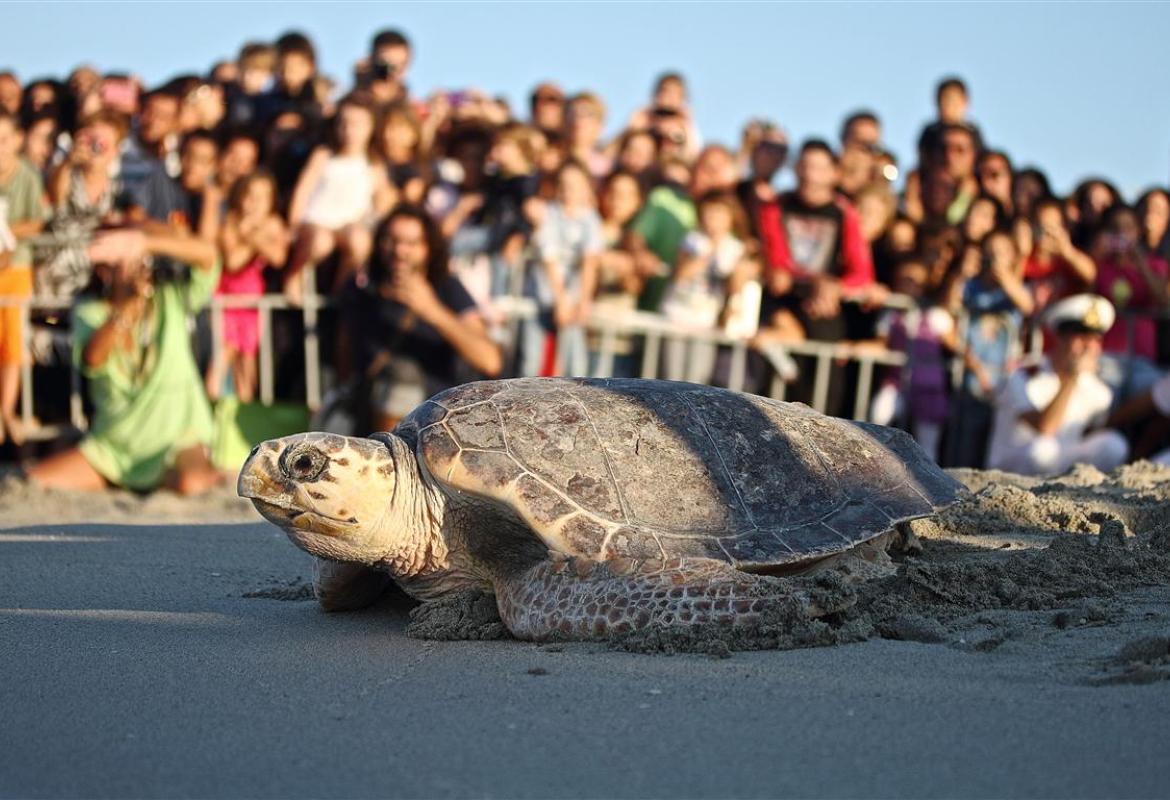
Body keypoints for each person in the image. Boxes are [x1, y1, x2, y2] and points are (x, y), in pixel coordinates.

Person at [27, 227, 224, 494]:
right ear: (104, 271)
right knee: (34, 481)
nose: (139, 264)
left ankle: (206, 473)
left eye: (140, 258)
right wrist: (125, 308)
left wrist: (146, 241)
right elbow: (93, 359)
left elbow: (209, 255)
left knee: (190, 483)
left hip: (176, 438)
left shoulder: (170, 297)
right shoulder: (91, 311)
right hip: (114, 448)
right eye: (126, 259)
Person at [339, 205, 502, 432]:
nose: (399, 250)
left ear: (429, 248)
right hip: (372, 418)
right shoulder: (363, 289)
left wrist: (432, 311)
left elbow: (490, 360)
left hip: (436, 421)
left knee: (403, 375)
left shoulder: (447, 288)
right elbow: (344, 357)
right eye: (391, 240)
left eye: (411, 243)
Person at [987, 294, 1128, 475]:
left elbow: (1091, 434)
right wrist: (1071, 378)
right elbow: (1045, 428)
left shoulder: (1097, 389)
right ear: (1060, 338)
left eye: (1094, 340)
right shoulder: (1023, 375)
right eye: (1081, 338)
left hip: (1060, 463)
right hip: (1012, 468)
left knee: (1113, 444)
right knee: (1043, 449)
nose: (1088, 347)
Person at [284, 92, 396, 303]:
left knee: (360, 242)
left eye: (357, 124)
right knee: (321, 243)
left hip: (351, 224)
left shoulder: (374, 164)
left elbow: (383, 204)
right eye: (344, 123)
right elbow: (303, 190)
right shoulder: (324, 155)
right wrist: (294, 223)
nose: (349, 130)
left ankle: (342, 291)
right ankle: (294, 275)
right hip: (317, 222)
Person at [206, 170, 288, 402]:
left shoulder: (273, 224)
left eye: (262, 197)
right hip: (227, 300)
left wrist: (251, 235)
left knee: (247, 364)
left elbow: (278, 257)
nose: (254, 203)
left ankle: (246, 411)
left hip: (251, 305)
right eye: (250, 196)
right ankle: (212, 403)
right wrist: (254, 238)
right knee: (222, 354)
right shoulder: (230, 221)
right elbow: (233, 262)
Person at [0, 110, 49, 445]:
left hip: (16, 269)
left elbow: (39, 221)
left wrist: (6, 233)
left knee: (13, 343)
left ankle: (7, 410)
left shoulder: (27, 176)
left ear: (18, 139)